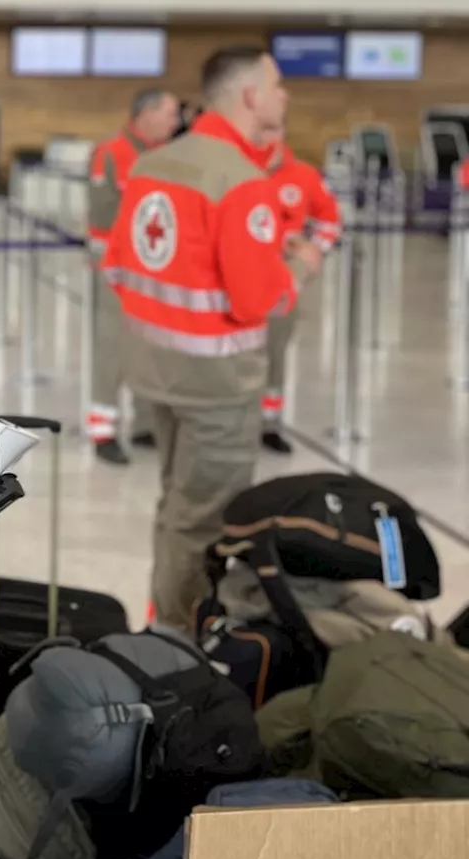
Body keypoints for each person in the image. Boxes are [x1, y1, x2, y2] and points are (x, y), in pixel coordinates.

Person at [102, 47, 324, 630]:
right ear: (250, 95)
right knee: (205, 520)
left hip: (156, 369)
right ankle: (179, 640)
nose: (285, 95)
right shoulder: (242, 182)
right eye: (277, 84)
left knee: (177, 502)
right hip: (216, 386)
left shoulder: (154, 164)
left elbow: (120, 269)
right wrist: (300, 265)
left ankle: (163, 615)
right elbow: (261, 301)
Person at [85, 88, 181, 464]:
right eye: (170, 113)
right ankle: (102, 428)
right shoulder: (110, 153)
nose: (176, 122)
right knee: (113, 348)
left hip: (157, 271)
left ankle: (145, 423)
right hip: (117, 270)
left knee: (154, 348)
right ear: (147, 113)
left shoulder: (170, 158)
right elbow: (102, 214)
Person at [257, 131, 343, 454]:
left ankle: (268, 423)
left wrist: (311, 256)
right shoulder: (236, 170)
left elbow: (330, 220)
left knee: (275, 352)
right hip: (239, 274)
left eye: (273, 133)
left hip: (282, 279)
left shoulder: (304, 176)